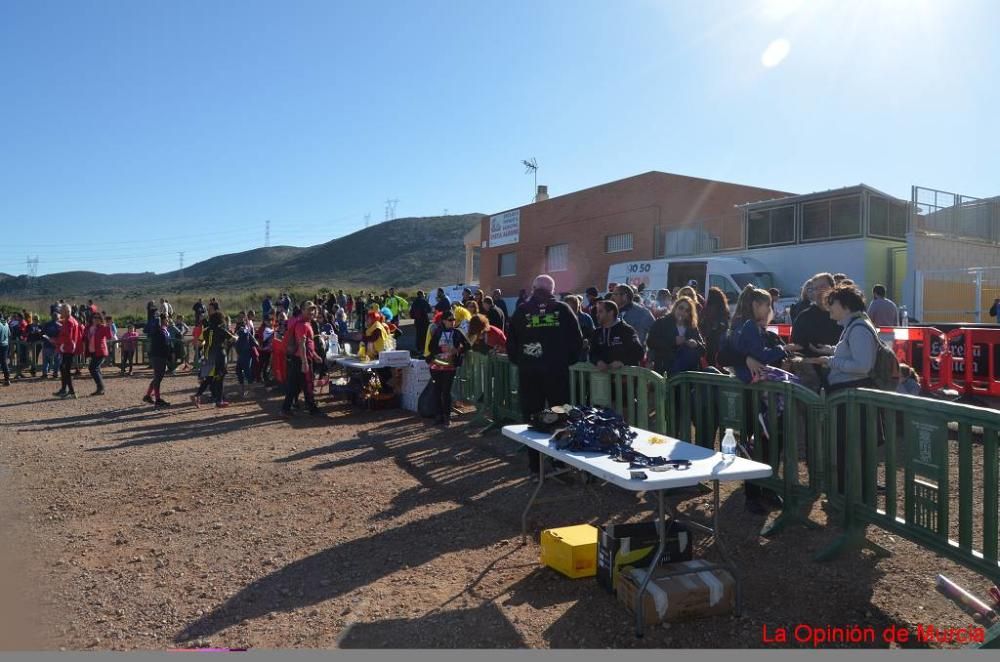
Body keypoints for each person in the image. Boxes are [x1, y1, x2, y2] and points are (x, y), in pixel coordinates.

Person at [801, 284, 881, 495]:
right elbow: (849, 351)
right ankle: (848, 492)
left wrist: (830, 361)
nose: (829, 308)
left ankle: (851, 494)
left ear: (845, 305)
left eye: (832, 303)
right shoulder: (855, 325)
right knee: (848, 444)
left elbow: (862, 365)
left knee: (850, 445)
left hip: (851, 395)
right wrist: (829, 352)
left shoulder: (858, 328)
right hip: (848, 395)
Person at [506, 274, 583, 476]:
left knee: (532, 418)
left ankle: (535, 466)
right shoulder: (563, 310)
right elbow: (577, 341)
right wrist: (564, 361)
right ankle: (559, 463)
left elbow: (511, 345)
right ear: (552, 290)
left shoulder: (522, 311)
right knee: (559, 416)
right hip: (557, 373)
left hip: (529, 374)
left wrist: (523, 363)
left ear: (533, 288)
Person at [790, 273, 842, 392]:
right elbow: (795, 350)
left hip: (841, 376)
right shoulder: (804, 317)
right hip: (812, 383)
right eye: (815, 288)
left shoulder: (843, 315)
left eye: (822, 286)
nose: (818, 292)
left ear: (833, 288)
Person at [425, 309, 471, 426]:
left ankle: (447, 416)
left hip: (450, 366)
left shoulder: (458, 332)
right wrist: (441, 349)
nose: (453, 322)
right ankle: (438, 416)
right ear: (444, 321)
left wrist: (457, 349)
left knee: (446, 391)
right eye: (450, 320)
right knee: (437, 391)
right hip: (436, 365)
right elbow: (431, 348)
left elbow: (468, 345)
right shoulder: (437, 331)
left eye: (454, 319)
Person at [281, 302, 324, 418]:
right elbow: (302, 344)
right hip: (301, 359)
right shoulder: (302, 325)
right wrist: (305, 362)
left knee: (294, 386)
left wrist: (315, 355)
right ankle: (312, 409)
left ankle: (286, 409)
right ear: (302, 310)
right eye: (309, 309)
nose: (312, 312)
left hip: (300, 358)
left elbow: (309, 343)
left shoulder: (306, 323)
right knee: (308, 384)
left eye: (313, 310)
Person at [647, 296, 705, 376]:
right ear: (675, 308)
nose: (683, 312)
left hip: (688, 370)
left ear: (689, 314)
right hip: (666, 366)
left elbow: (703, 350)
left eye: (687, 310)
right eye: (681, 308)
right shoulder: (662, 322)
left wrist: (696, 344)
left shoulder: (692, 327)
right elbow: (650, 342)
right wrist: (673, 341)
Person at [192, 311, 236, 408]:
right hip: (220, 356)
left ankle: (197, 395)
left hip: (208, 356)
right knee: (220, 378)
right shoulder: (221, 330)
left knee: (208, 378)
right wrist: (236, 336)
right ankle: (219, 400)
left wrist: (207, 345)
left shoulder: (206, 330)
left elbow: (199, 344)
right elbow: (232, 339)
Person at [590, 300, 644, 370]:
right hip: (603, 378)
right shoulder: (597, 332)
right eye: (597, 312)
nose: (597, 315)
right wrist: (597, 361)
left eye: (600, 311)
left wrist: (622, 362)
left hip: (626, 378)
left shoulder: (626, 330)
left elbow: (639, 353)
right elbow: (592, 353)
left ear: (611, 313)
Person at [46, 303, 82, 399]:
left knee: (65, 369)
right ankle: (65, 389)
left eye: (61, 310)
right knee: (63, 368)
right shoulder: (69, 321)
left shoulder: (69, 322)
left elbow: (68, 337)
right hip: (67, 348)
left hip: (68, 348)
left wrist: (55, 340)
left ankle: (70, 391)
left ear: (66, 311)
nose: (60, 312)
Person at [611, 284, 655, 349]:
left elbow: (655, 332)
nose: (612, 297)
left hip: (635, 354)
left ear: (624, 296)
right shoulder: (611, 311)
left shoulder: (642, 313)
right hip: (614, 355)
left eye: (615, 294)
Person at [143, 314, 172, 406]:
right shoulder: (159, 330)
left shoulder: (164, 330)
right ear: (162, 320)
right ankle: (158, 399)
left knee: (157, 377)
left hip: (160, 356)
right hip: (158, 356)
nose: (168, 320)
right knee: (158, 378)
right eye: (166, 319)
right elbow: (163, 344)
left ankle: (148, 395)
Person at [700, 287, 730, 369]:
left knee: (710, 355)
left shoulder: (708, 308)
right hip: (719, 335)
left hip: (711, 336)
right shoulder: (723, 309)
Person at [84, 312, 114, 396]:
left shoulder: (103, 327)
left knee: (92, 368)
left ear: (101, 319)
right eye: (94, 317)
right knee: (96, 369)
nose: (96, 319)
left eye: (98, 318)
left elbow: (109, 337)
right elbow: (85, 336)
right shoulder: (89, 327)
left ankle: (101, 388)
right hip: (92, 351)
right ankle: (101, 388)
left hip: (100, 351)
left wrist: (108, 327)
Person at [562, 295, 594, 363]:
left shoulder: (586, 318)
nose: (572, 309)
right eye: (569, 307)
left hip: (583, 356)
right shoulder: (561, 319)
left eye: (574, 306)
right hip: (567, 357)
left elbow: (594, 335)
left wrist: (587, 341)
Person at [234, 311, 258, 398]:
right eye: (239, 317)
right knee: (238, 371)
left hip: (245, 353)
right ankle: (242, 391)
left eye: (242, 317)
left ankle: (251, 391)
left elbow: (249, 338)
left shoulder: (243, 329)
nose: (239, 319)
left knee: (247, 372)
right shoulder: (241, 328)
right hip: (241, 353)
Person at [409, 290, 433, 355]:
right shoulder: (424, 301)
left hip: (417, 321)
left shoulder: (414, 302)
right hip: (424, 321)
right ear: (422, 295)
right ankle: (424, 348)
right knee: (425, 334)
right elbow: (429, 309)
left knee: (418, 335)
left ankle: (419, 348)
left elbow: (411, 312)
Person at [41, 312, 61, 380]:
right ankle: (55, 373)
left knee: (46, 360)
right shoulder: (60, 325)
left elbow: (42, 333)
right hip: (56, 345)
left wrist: (48, 339)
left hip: (47, 344)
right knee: (57, 359)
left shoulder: (47, 324)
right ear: (58, 318)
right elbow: (61, 335)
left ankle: (45, 373)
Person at [0, 316, 9, 386]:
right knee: (4, 362)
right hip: (5, 344)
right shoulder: (6, 324)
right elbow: (9, 334)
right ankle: (7, 379)